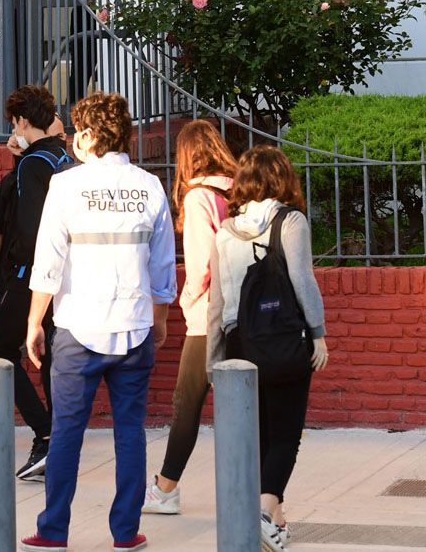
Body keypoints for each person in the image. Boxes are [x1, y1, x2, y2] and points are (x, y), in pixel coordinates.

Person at [20, 92, 176, 552]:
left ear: (88, 136)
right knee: (130, 432)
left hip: (77, 330)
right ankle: (125, 533)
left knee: (67, 432)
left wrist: (34, 323)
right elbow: (163, 268)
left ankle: (53, 530)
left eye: (75, 132)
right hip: (134, 326)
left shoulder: (65, 186)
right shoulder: (150, 186)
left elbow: (47, 263)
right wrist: (160, 319)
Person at [207, 146, 328, 552]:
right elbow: (302, 280)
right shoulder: (289, 221)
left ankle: (273, 517)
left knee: (258, 434)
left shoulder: (225, 231)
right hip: (283, 341)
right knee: (286, 434)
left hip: (241, 344)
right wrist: (318, 332)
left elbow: (217, 301)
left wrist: (214, 358)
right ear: (282, 179)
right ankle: (264, 511)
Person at [0, 86, 70, 481]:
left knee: (0, 354)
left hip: (30, 276)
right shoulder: (64, 157)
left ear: (23, 121)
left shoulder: (32, 165)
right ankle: (56, 439)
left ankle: (45, 434)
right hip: (63, 276)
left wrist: (22, 276)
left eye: (14, 122)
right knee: (48, 359)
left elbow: (31, 228)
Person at [143, 120, 236, 514]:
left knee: (187, 403)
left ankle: (165, 489)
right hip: (239, 314)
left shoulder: (199, 198)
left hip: (207, 318)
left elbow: (199, 266)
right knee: (240, 405)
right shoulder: (236, 191)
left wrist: (184, 300)